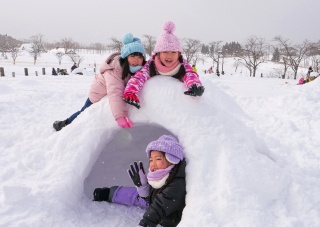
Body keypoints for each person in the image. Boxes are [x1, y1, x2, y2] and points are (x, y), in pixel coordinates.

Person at [52, 33, 146, 131]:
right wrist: (120, 116)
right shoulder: (114, 70)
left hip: (107, 91)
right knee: (83, 113)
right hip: (97, 95)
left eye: (140, 57)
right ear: (125, 57)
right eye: (133, 55)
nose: (136, 60)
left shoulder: (137, 69)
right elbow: (115, 92)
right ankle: (64, 124)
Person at [93, 135, 186, 227]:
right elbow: (149, 198)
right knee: (136, 195)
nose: (153, 164)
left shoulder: (177, 184)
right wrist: (143, 188)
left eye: (158, 159)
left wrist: (145, 224)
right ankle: (111, 193)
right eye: (151, 160)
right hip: (162, 211)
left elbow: (159, 207)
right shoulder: (164, 175)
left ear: (172, 160)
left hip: (172, 220)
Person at [123, 21, 205, 109]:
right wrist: (130, 92)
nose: (169, 56)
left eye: (173, 52)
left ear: (179, 54)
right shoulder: (152, 65)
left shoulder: (182, 64)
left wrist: (194, 85)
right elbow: (139, 76)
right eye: (165, 52)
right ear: (158, 54)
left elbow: (190, 74)